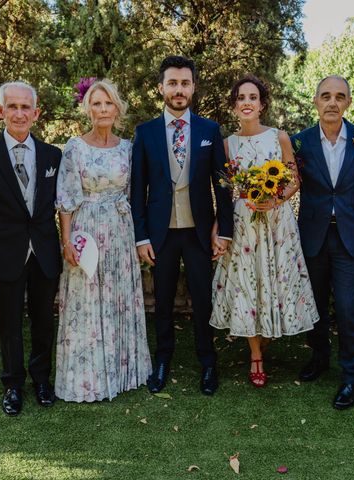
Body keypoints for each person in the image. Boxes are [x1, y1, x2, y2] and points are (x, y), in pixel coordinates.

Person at [130, 56, 234, 396]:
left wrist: (225, 229)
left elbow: (223, 184)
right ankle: (163, 360)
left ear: (193, 87)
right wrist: (141, 236)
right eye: (172, 83)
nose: (179, 89)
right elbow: (137, 189)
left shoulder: (209, 130)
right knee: (162, 300)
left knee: (203, 298)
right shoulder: (144, 133)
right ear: (161, 88)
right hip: (160, 234)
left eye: (184, 83)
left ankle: (208, 362)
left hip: (199, 232)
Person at [210, 75, 319, 387]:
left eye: (253, 97)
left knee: (273, 282)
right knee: (247, 284)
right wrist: (221, 223)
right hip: (244, 221)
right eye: (241, 98)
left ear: (262, 105)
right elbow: (224, 188)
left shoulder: (279, 137)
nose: (247, 102)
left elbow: (295, 179)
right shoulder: (228, 144)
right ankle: (255, 354)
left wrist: (275, 200)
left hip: (276, 221)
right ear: (234, 106)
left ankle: (267, 335)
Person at [0, 81, 61, 416]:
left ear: (36, 113)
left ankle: (42, 380)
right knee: (9, 323)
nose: (19, 113)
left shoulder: (53, 155)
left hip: (45, 252)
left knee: (43, 321)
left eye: (25, 108)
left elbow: (53, 204)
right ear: (0, 111)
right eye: (12, 107)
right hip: (5, 250)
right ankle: (13, 385)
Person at [55, 79, 152, 402]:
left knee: (118, 298)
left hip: (120, 232)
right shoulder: (75, 147)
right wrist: (66, 240)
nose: (103, 110)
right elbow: (66, 198)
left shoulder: (128, 148)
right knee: (86, 300)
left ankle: (124, 372)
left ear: (117, 108)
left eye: (108, 103)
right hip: (86, 232)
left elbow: (134, 193)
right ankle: (87, 378)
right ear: (88, 109)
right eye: (96, 104)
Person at [291, 75, 354, 409]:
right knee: (314, 304)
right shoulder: (299, 142)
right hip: (312, 235)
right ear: (315, 100)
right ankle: (319, 356)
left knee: (348, 308)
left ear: (348, 103)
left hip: (349, 236)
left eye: (340, 96)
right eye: (325, 95)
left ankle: (351, 376)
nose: (332, 102)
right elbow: (287, 182)